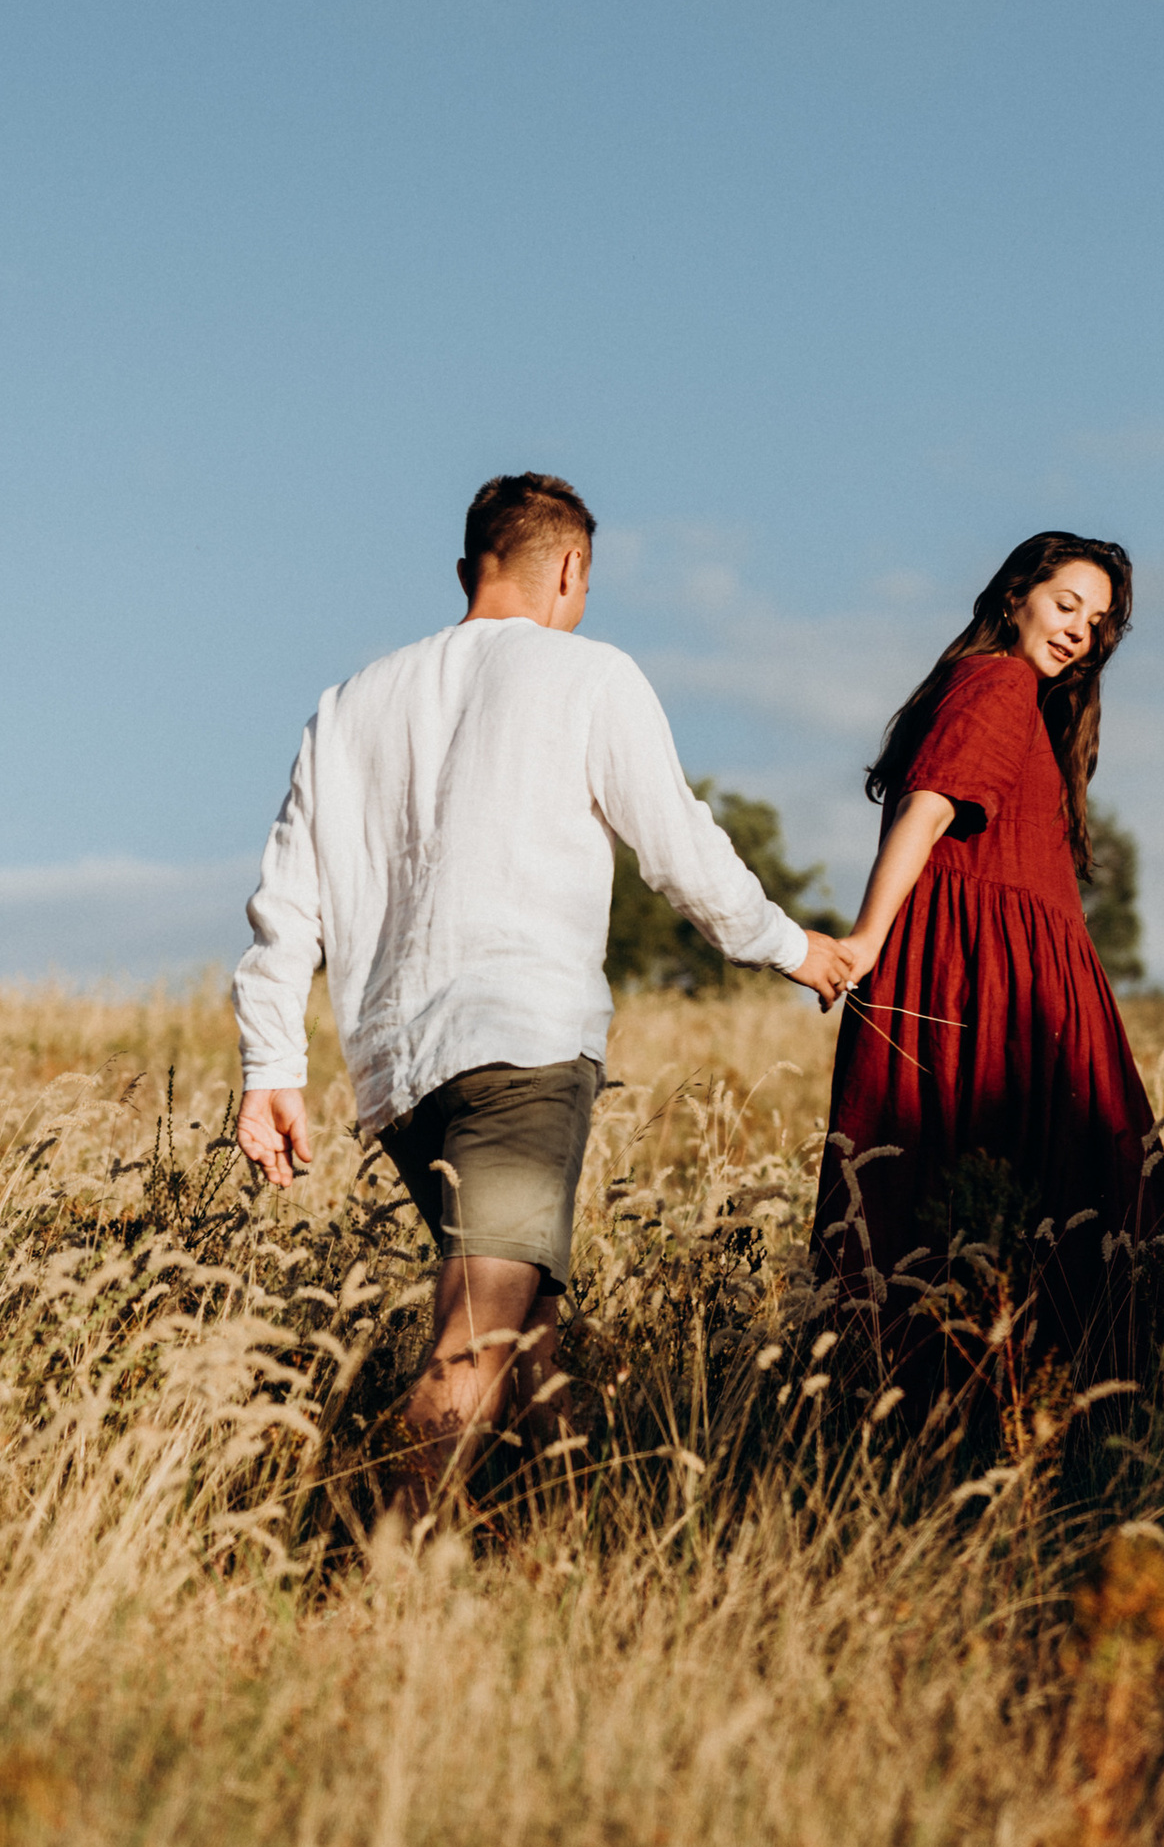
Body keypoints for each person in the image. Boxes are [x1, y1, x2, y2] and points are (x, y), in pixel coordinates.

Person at [233, 471, 854, 1503]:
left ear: (468, 566)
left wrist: (271, 1069)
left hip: (401, 1076)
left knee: (527, 1332)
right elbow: (681, 850)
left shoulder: (346, 707)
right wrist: (797, 949)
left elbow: (284, 904)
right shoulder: (587, 675)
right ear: (570, 569)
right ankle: (367, 1574)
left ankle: (555, 1553)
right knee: (477, 1339)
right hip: (520, 1051)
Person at [813, 531, 1164, 1391]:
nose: (1080, 632)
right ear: (1015, 595)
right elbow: (928, 810)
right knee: (1083, 1207)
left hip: (1009, 973)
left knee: (992, 1208)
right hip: (993, 982)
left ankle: (985, 1415)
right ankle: (1044, 1422)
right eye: (1065, 605)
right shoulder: (1001, 682)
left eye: (1098, 623)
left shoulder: (1009, 696)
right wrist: (864, 937)